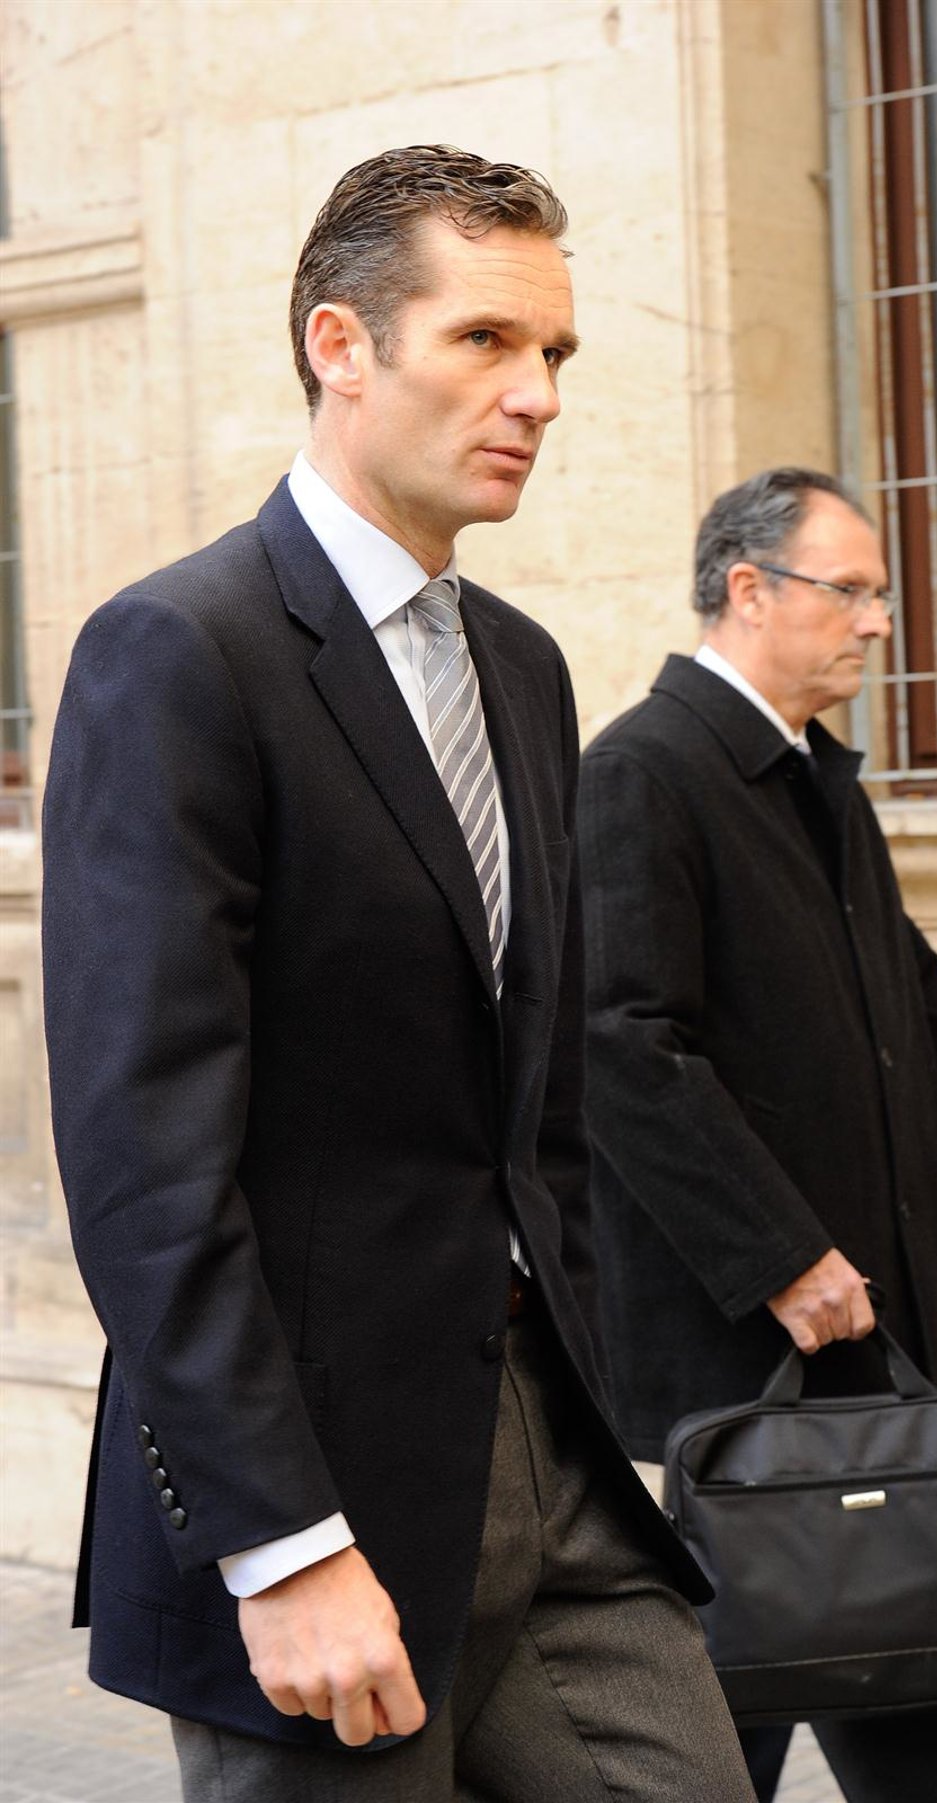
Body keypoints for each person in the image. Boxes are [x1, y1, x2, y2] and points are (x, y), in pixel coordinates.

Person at [41, 146, 755, 1803]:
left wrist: (578, 1376)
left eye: (555, 352)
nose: (538, 394)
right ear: (340, 346)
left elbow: (538, 1104)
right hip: (317, 1481)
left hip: (549, 1448)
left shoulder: (522, 667)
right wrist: (279, 1540)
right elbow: (144, 1159)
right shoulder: (181, 652)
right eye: (485, 340)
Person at [577, 467, 937, 1803]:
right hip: (745, 1353)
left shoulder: (817, 781)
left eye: (880, 595)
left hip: (857, 1331)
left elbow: (911, 999)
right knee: (755, 1706)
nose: (877, 623)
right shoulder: (642, 771)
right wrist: (784, 1257)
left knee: (858, 1680)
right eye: (850, 590)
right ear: (748, 590)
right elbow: (622, 1048)